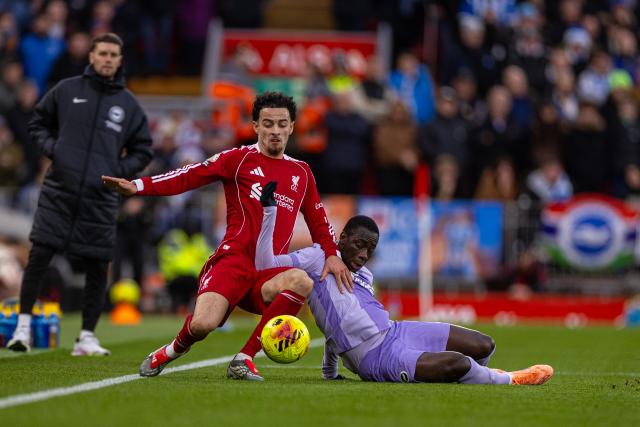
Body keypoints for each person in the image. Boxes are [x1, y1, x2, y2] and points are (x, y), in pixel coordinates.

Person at [102, 91, 352, 379]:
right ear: (255, 126)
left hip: (268, 268)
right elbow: (188, 175)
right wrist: (138, 186)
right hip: (232, 262)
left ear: (292, 126)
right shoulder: (237, 159)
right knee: (202, 326)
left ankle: (244, 358)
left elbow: (319, 221)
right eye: (268, 123)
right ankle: (171, 351)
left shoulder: (301, 172)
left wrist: (332, 255)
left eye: (282, 124)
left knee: (301, 280)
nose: (275, 131)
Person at [252, 181, 554, 385]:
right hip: (375, 356)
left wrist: (330, 370)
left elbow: (336, 323)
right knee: (459, 364)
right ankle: (510, 380)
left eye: (370, 249)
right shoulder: (316, 257)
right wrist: (269, 211)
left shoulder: (366, 275)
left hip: (396, 331)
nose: (364, 254)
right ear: (342, 238)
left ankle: (483, 376)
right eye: (358, 245)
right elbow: (266, 260)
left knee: (483, 343)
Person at [6, 33, 154, 355]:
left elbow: (143, 149)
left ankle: (86, 336)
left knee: (99, 265)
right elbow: (37, 124)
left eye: (114, 54)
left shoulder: (128, 105)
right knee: (39, 257)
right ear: (91, 56)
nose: (108, 59)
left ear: (120, 60)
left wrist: (119, 169)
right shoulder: (67, 90)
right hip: (59, 190)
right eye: (102, 53)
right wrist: (53, 150)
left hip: (100, 198)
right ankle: (23, 328)